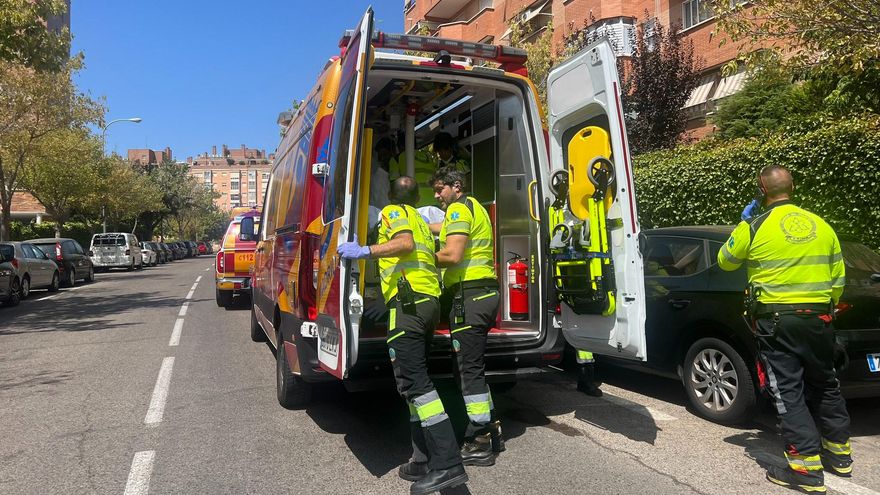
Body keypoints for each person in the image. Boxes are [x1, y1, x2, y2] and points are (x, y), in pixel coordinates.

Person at [718, 165, 851, 494]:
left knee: (787, 391)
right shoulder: (822, 225)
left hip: (778, 322)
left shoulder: (755, 225)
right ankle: (840, 456)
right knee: (826, 383)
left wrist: (743, 222)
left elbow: (726, 261)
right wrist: (825, 308)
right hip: (820, 318)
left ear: (762, 191)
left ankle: (805, 471)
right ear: (793, 186)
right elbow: (838, 279)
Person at [338, 176, 468, 494]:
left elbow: (404, 244)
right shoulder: (422, 221)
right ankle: (422, 458)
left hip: (407, 306)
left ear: (391, 196)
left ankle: (448, 464)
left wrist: (364, 250)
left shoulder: (393, 213)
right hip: (427, 305)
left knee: (416, 385)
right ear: (416, 195)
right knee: (414, 385)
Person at [430, 167, 504, 467]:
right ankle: (491, 428)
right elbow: (443, 228)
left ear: (456, 186)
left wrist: (415, 253)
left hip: (470, 296)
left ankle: (479, 441)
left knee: (467, 370)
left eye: (440, 190)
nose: (437, 196)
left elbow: (453, 254)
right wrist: (421, 229)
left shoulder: (460, 208)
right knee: (471, 368)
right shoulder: (473, 207)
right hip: (480, 295)